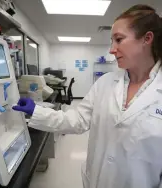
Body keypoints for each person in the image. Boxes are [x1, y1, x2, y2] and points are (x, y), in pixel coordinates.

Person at [13, 4, 162, 188]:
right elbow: (77, 120)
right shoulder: (105, 83)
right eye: (111, 41)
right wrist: (36, 111)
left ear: (146, 39)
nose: (111, 49)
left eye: (119, 39)